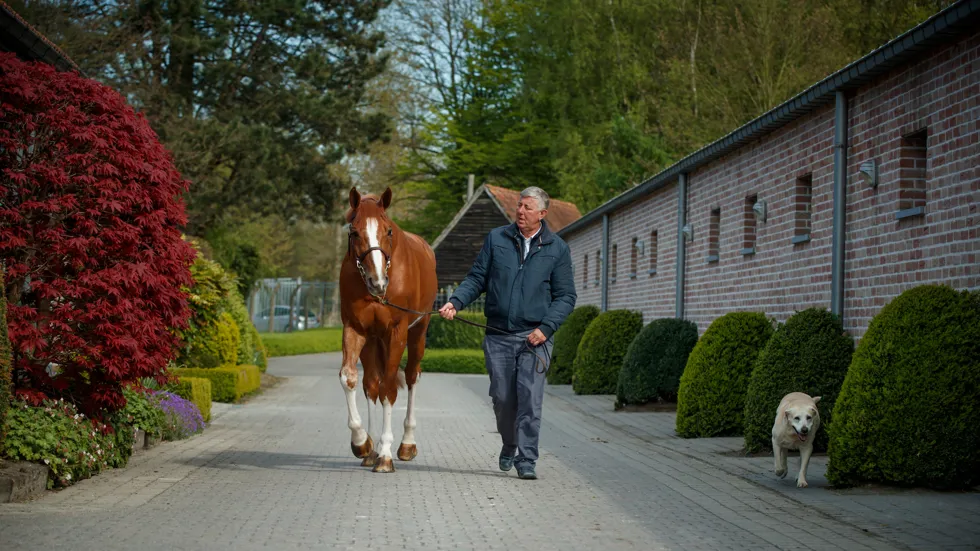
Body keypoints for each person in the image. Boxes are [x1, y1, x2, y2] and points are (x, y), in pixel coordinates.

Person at [438, 186, 577, 480]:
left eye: (527, 207)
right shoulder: (497, 239)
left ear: (542, 213)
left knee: (530, 399)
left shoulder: (557, 248)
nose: (520, 212)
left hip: (534, 338)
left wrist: (546, 328)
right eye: (519, 206)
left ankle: (527, 460)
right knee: (502, 399)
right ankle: (510, 443)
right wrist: (456, 301)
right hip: (498, 335)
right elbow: (477, 278)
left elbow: (565, 297)